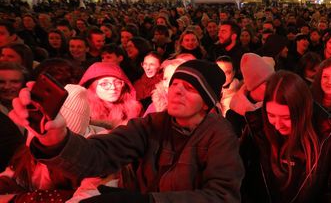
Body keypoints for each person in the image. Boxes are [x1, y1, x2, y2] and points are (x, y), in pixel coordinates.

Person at [8, 60, 245, 202]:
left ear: (206, 102)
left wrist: (147, 201)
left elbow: (222, 196)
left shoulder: (219, 135)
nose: (178, 92)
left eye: (190, 88)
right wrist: (58, 141)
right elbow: (101, 153)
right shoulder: (150, 124)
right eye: (175, 85)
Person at [240, 71, 331, 203]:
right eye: (271, 115)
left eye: (286, 117)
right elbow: (241, 180)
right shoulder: (256, 130)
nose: (277, 125)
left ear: (303, 112)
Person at [79, 62, 142, 130]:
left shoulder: (134, 107)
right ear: (92, 87)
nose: (113, 87)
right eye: (104, 84)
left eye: (117, 82)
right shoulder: (82, 113)